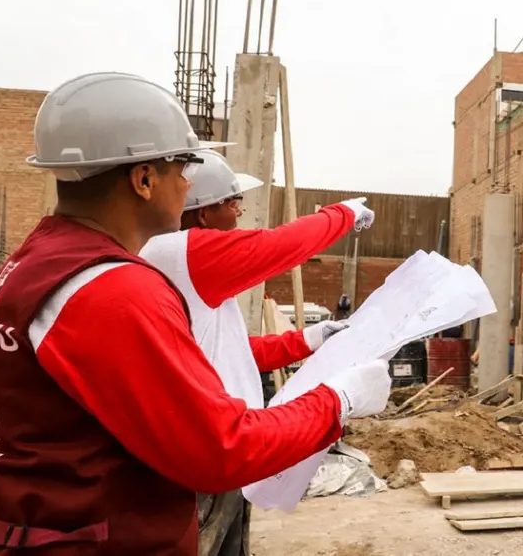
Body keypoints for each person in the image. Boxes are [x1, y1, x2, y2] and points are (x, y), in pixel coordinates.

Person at [0, 72, 391, 556]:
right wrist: (338, 399)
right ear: (144, 180)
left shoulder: (41, 260)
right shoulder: (113, 290)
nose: (188, 184)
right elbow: (221, 449)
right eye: (183, 168)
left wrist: (304, 343)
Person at [139, 149, 374, 556]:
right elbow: (279, 246)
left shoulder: (188, 267)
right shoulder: (183, 252)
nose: (239, 213)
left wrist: (310, 339)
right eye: (231, 203)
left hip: (227, 454)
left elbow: (228, 351)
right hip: (205, 456)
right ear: (200, 213)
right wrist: (343, 214)